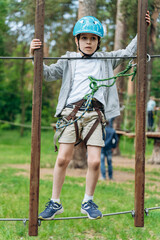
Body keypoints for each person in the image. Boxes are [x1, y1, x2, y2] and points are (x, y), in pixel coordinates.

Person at [30, 12, 150, 220]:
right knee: (62, 159)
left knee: (94, 162)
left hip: (95, 115)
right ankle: (55, 202)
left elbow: (130, 51)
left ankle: (88, 201)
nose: (88, 42)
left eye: (93, 39)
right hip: (71, 113)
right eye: (84, 38)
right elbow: (47, 74)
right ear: (77, 40)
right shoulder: (69, 58)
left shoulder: (106, 59)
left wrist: (142, 28)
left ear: (98, 42)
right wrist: (35, 56)